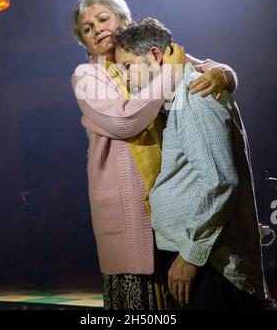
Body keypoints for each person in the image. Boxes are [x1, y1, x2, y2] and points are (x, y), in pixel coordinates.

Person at [71, 0, 238, 310]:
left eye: (102, 18)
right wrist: (170, 73)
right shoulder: (87, 75)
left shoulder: (149, 55)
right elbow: (124, 121)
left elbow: (208, 68)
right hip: (126, 214)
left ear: (124, 20)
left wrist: (222, 74)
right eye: (87, 29)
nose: (97, 29)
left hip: (177, 207)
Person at [113, 17, 266, 310]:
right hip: (202, 260)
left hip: (210, 266)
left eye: (128, 67)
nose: (126, 78)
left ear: (156, 56)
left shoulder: (193, 92)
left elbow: (221, 182)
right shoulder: (176, 96)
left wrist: (189, 256)